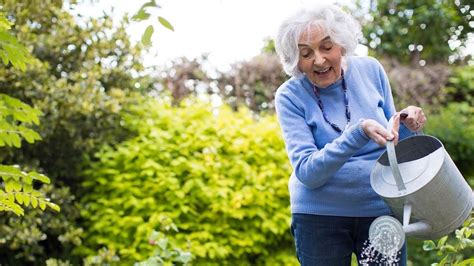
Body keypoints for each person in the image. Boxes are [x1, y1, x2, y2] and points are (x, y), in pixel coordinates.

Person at [273, 4, 427, 266]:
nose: (319, 60)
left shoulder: (371, 70)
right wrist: (358, 133)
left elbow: (395, 143)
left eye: (327, 47)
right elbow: (308, 172)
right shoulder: (290, 96)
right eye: (306, 53)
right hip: (319, 218)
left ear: (342, 44)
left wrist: (410, 125)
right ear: (295, 60)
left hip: (380, 211)